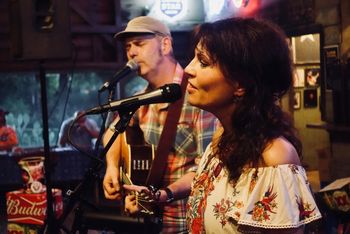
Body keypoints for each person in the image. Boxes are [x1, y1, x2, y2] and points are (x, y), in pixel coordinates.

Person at [125, 17, 322, 233]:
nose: (189, 69)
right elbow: (202, 177)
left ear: (240, 83)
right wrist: (165, 194)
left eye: (203, 62)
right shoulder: (222, 137)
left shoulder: (274, 157)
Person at [102, 16, 217, 233]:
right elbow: (111, 134)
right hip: (151, 224)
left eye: (139, 44)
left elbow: (207, 172)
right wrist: (111, 168)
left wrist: (162, 195)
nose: (131, 53)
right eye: (128, 47)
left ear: (165, 45)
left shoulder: (196, 96)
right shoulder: (140, 100)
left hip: (186, 225)